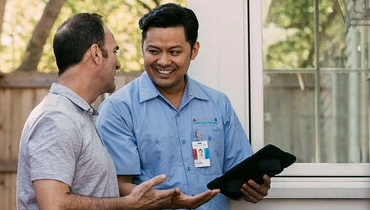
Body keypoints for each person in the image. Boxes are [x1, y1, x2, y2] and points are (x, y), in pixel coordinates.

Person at [16, 12, 218, 210]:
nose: (118, 63)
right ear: (96, 54)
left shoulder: (78, 115)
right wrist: (127, 204)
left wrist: (162, 200)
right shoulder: (57, 118)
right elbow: (54, 205)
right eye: (114, 52)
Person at [96, 3, 271, 210]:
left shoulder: (217, 103)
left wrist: (253, 186)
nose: (163, 61)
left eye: (174, 52)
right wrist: (169, 200)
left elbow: (238, 173)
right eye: (153, 51)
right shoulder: (119, 109)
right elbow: (118, 186)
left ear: (194, 50)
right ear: (142, 47)